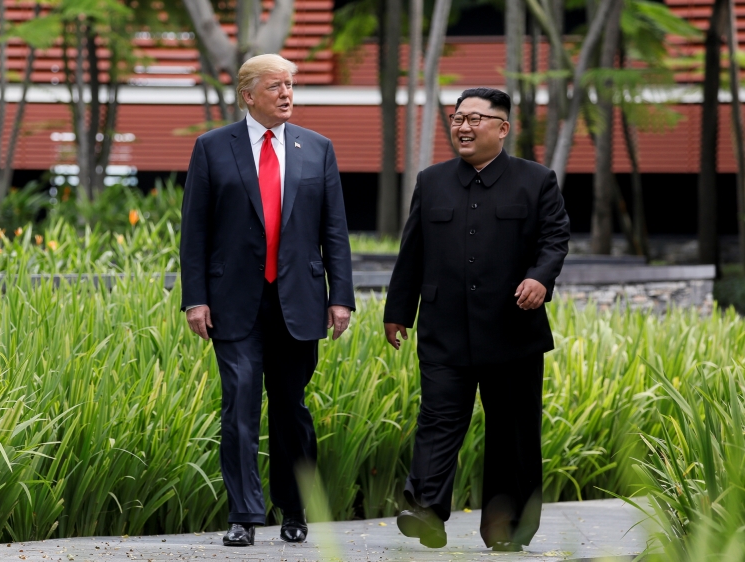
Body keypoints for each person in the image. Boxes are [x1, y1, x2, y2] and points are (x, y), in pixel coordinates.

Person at [179, 54, 355, 547]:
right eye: (276, 85)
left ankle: (294, 507)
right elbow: (194, 231)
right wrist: (195, 298)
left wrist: (340, 297)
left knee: (291, 408)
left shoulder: (317, 148)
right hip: (233, 302)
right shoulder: (212, 148)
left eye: (291, 84)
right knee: (238, 404)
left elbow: (334, 231)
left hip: (298, 300)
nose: (287, 93)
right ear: (249, 94)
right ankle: (243, 514)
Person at [383, 87, 570, 552]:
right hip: (444, 330)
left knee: (513, 434)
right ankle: (424, 509)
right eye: (457, 118)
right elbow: (412, 253)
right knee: (439, 418)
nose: (462, 127)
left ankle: (507, 532)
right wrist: (397, 312)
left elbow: (555, 239)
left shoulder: (537, 180)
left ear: (502, 128)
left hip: (512, 331)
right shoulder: (431, 181)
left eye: (475, 119)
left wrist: (540, 279)